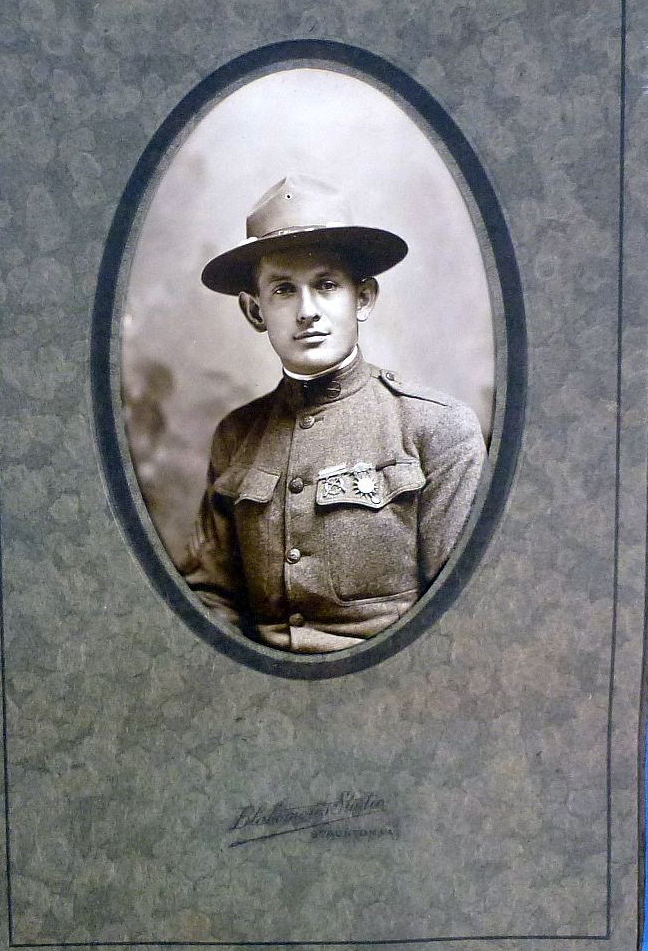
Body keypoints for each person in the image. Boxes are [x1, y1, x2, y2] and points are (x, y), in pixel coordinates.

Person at [179, 174, 487, 654]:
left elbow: (462, 617)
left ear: (362, 298)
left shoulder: (437, 427)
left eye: (326, 285)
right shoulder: (236, 435)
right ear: (254, 310)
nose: (308, 311)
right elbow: (210, 598)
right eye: (283, 290)